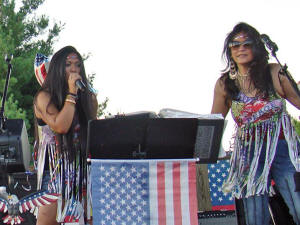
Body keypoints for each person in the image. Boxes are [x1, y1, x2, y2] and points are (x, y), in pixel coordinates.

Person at [211, 22, 300, 225]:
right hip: (248, 155)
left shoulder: (275, 72)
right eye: (235, 44)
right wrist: (206, 151)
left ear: (257, 47)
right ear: (230, 51)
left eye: (247, 43)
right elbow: (214, 122)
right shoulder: (225, 83)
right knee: (255, 218)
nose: (241, 48)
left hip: (282, 148)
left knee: (298, 205)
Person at [33, 46, 98, 225]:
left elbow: (95, 132)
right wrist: (71, 94)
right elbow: (61, 126)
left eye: (78, 65)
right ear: (58, 68)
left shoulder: (88, 98)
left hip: (81, 174)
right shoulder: (44, 97)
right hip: (54, 175)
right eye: (68, 64)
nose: (74, 69)